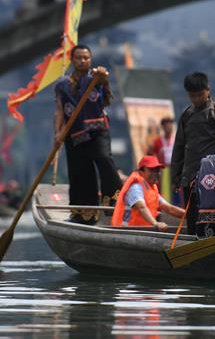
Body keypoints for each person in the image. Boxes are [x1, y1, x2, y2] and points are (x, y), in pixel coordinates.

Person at [54, 45, 121, 224]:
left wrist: (104, 78)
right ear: (72, 60)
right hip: (74, 133)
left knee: (103, 157)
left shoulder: (96, 77)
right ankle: (83, 213)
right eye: (79, 58)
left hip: (97, 130)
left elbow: (107, 97)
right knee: (80, 173)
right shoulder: (62, 85)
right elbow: (60, 110)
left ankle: (113, 198)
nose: (83, 61)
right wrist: (58, 133)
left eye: (86, 58)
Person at [169, 72, 215, 232]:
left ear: (208, 90)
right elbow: (179, 146)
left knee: (212, 215)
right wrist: (175, 176)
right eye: (192, 96)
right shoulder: (187, 114)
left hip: (213, 176)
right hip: (190, 175)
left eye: (199, 95)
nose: (196, 99)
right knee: (192, 217)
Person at [112, 155, 185, 229]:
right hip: (128, 232)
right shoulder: (136, 187)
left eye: (157, 170)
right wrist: (155, 223)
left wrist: (189, 215)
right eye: (151, 170)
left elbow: (169, 208)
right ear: (141, 171)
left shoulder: (151, 188)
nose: (156, 173)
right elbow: (141, 207)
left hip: (141, 231)